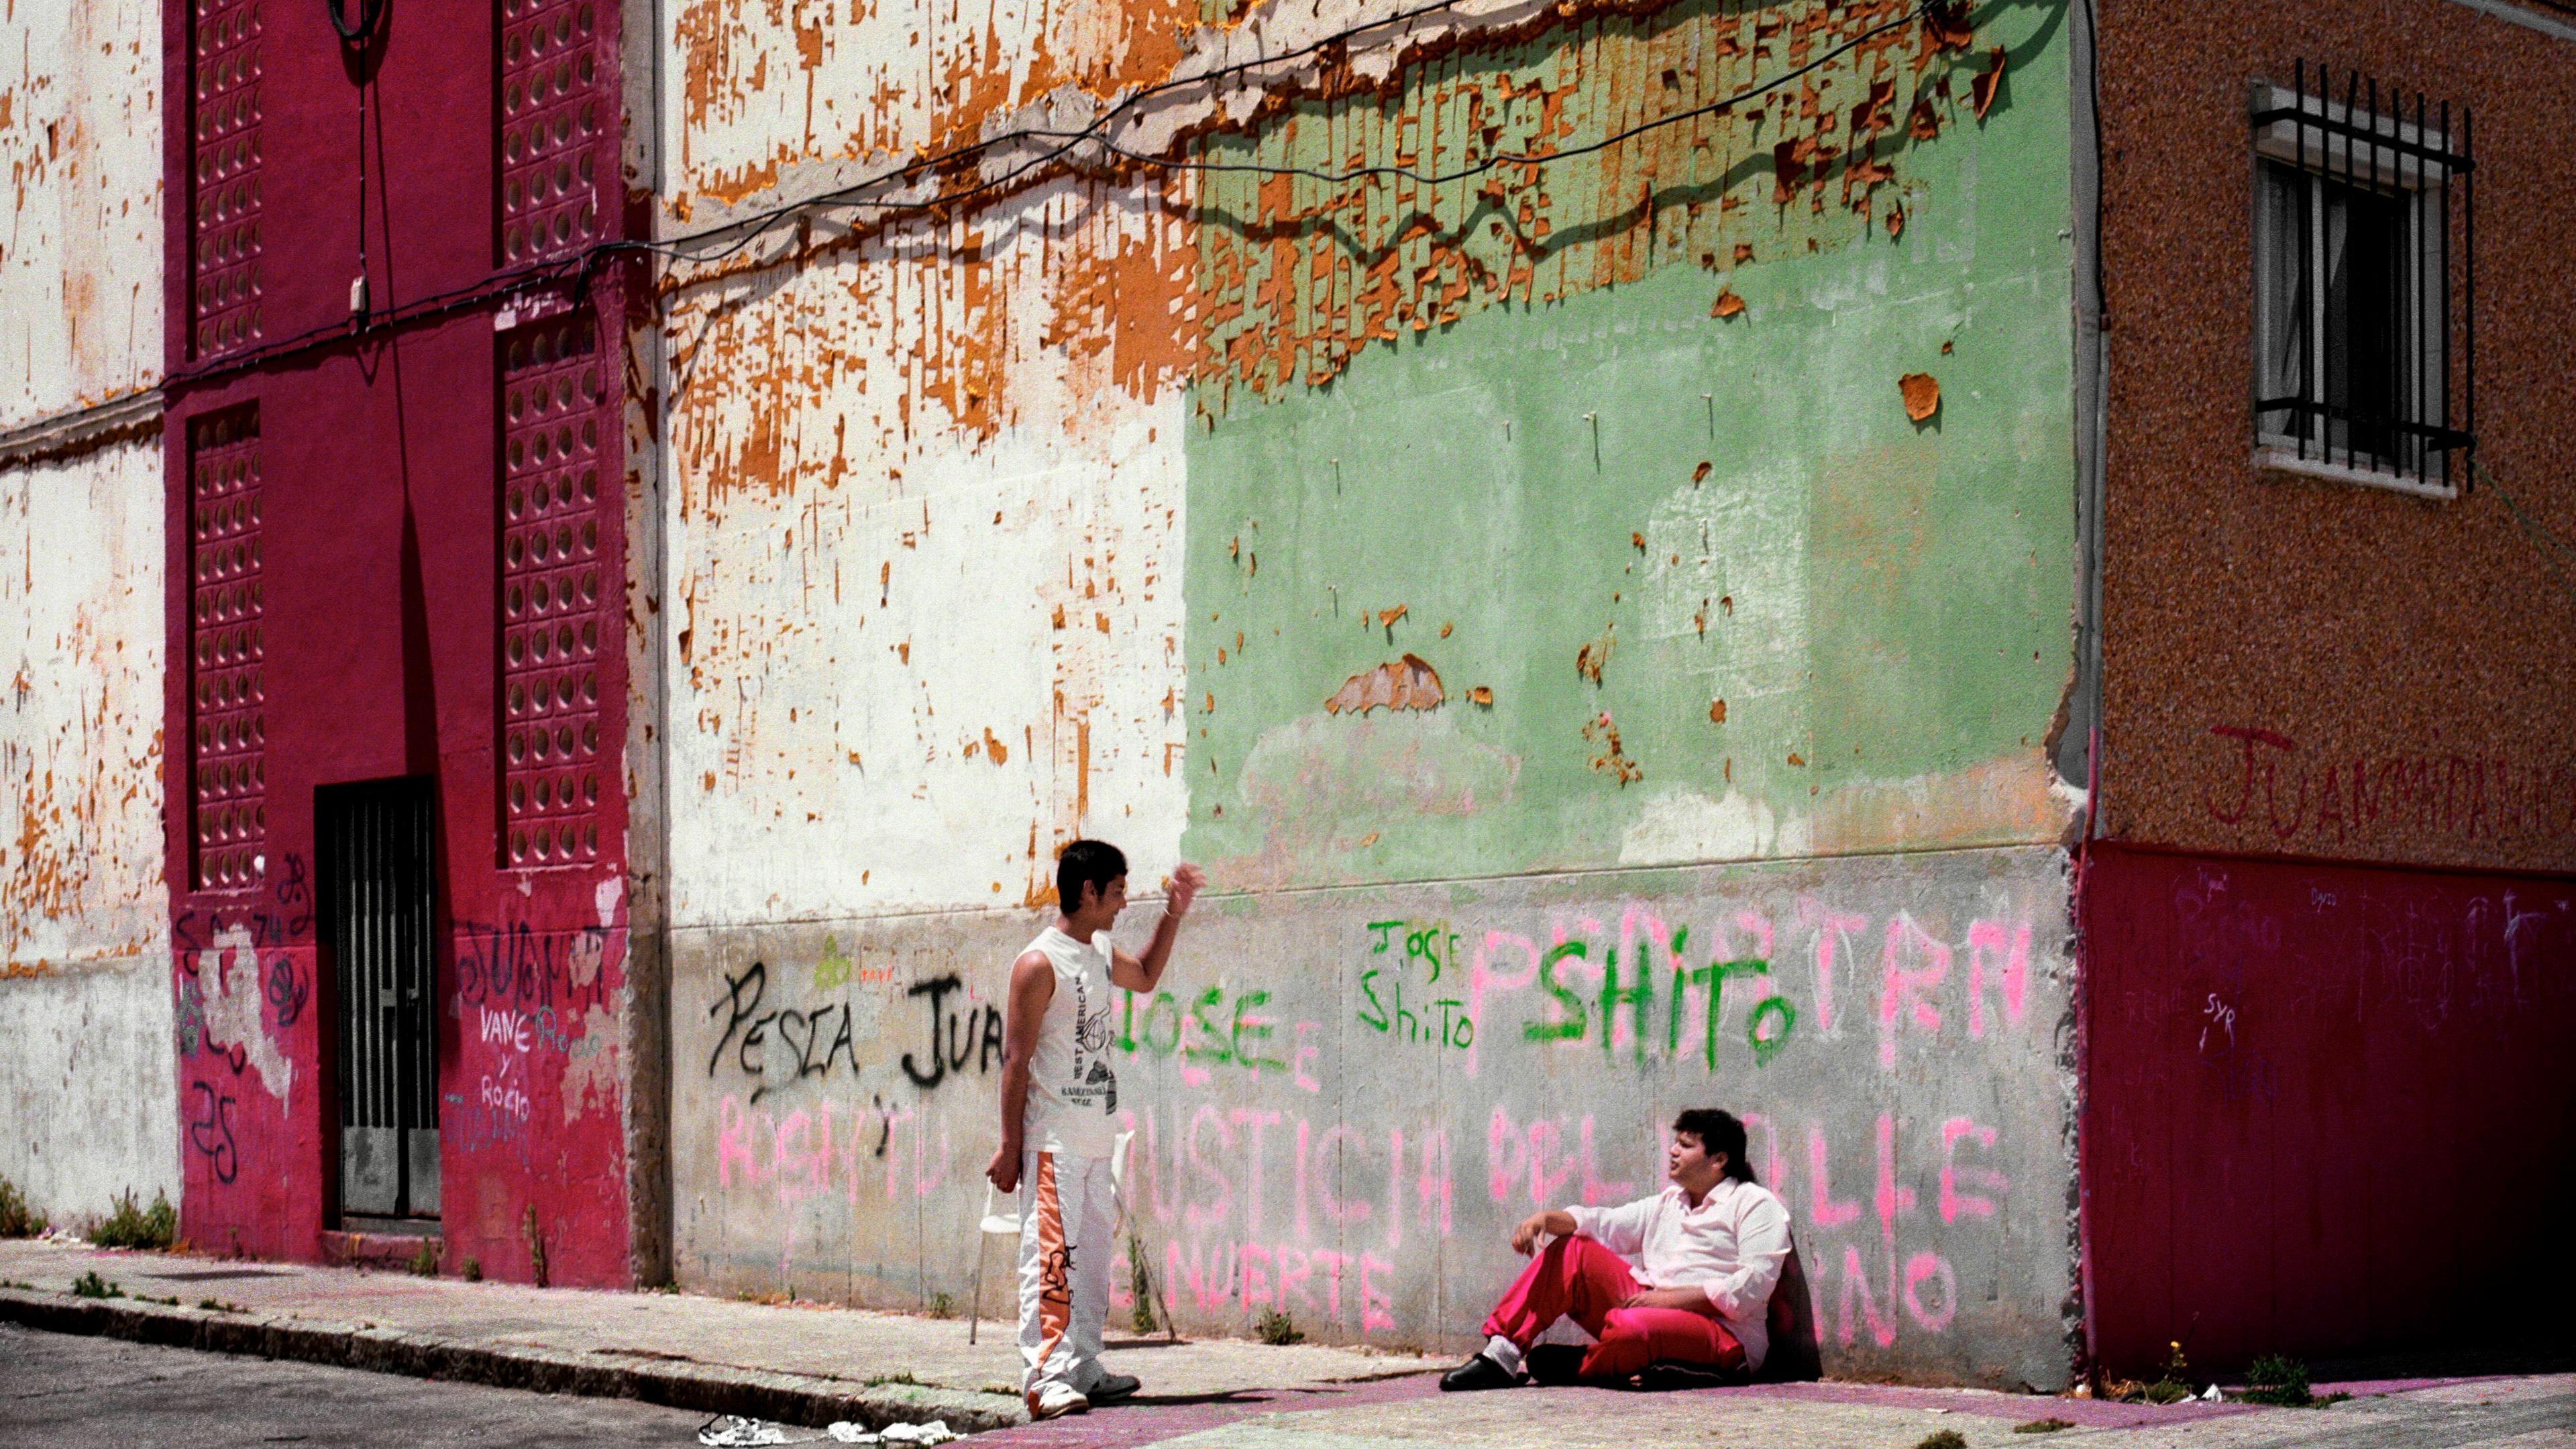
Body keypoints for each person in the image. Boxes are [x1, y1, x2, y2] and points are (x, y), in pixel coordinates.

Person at [985, 841, 1206, 1420]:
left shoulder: (1101, 950)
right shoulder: (1039, 964)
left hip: (1095, 1140)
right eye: (1116, 891)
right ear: (1088, 892)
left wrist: (1174, 913)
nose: (1123, 901)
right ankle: (1042, 1378)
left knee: (1090, 1265)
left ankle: (1082, 1365)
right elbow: (1016, 1062)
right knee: (1052, 1261)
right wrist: (1011, 1148)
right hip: (1053, 1143)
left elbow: (1149, 976)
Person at [1440, 1108, 1792, 1391]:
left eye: (1686, 1146)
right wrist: (1548, 1219)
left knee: (1632, 1327)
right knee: (1571, 1251)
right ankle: (1500, 1357)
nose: (1673, 1151)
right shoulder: (1668, 1202)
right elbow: (1606, 1223)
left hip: (1724, 1335)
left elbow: (1753, 1287)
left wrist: (1668, 1301)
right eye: (1675, 1143)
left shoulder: (1755, 1204)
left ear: (1718, 1159)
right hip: (1648, 1307)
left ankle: (1587, 1363)